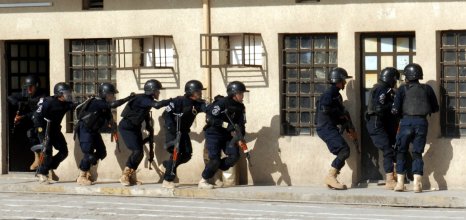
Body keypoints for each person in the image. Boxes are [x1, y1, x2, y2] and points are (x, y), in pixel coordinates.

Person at [391, 63, 439, 193]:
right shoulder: (427, 88)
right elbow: (435, 108)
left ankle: (400, 184)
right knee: (417, 153)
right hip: (421, 122)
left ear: (407, 76)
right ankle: (417, 184)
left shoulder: (402, 89)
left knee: (401, 151)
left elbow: (395, 110)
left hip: (406, 122)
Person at [75, 83, 135, 185]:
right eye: (111, 94)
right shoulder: (96, 102)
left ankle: (86, 168)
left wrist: (112, 125)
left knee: (102, 152)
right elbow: (113, 105)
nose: (113, 97)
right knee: (88, 154)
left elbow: (108, 118)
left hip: (94, 131)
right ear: (104, 94)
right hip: (85, 130)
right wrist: (128, 98)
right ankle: (81, 176)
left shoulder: (104, 105)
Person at [118, 79, 169, 186]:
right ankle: (124, 176)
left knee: (139, 153)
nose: (159, 93)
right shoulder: (143, 99)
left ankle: (130, 176)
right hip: (127, 127)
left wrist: (149, 126)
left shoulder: (146, 99)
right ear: (152, 90)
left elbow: (144, 113)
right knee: (136, 151)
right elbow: (157, 105)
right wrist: (171, 101)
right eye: (157, 91)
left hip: (135, 127)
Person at [199, 81, 248, 189]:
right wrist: (227, 125)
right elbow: (211, 119)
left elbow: (241, 124)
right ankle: (203, 180)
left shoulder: (240, 107)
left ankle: (213, 168)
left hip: (227, 136)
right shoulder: (221, 103)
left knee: (234, 156)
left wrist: (240, 137)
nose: (243, 96)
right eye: (241, 93)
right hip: (214, 134)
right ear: (234, 94)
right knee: (215, 159)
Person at [160, 80, 208, 189]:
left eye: (200, 91)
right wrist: (172, 129)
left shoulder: (198, 103)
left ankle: (168, 165)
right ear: (190, 92)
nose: (200, 93)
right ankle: (167, 180)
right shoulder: (178, 101)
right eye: (198, 91)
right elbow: (166, 114)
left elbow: (207, 109)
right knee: (176, 153)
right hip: (173, 131)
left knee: (187, 155)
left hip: (184, 131)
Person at [316, 67, 353, 190]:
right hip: (325, 128)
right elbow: (325, 109)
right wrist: (340, 114)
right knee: (344, 150)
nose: (345, 83)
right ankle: (331, 176)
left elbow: (337, 114)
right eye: (344, 80)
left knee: (344, 151)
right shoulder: (329, 93)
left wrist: (346, 123)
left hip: (329, 127)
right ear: (339, 80)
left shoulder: (336, 95)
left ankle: (331, 178)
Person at [32, 82, 75, 184]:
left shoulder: (66, 103)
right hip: (44, 128)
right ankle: (42, 173)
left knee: (64, 152)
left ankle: (48, 167)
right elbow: (36, 116)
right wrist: (40, 130)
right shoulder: (48, 102)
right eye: (66, 93)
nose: (68, 95)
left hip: (55, 129)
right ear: (59, 94)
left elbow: (76, 106)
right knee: (47, 151)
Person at [365, 67, 400, 190]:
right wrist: (393, 104)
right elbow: (379, 107)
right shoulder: (381, 89)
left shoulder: (383, 88)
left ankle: (394, 176)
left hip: (381, 123)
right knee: (387, 149)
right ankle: (390, 180)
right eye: (395, 80)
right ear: (391, 79)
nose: (396, 83)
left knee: (392, 148)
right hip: (376, 123)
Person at [7, 75, 48, 170]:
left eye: (31, 87)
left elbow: (38, 112)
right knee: (30, 134)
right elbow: (10, 97)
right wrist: (18, 103)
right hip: (32, 121)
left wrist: (23, 116)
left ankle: (46, 166)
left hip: (41, 122)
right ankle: (37, 157)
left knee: (44, 142)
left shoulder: (42, 97)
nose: (29, 89)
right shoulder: (26, 93)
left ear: (36, 86)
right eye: (27, 87)